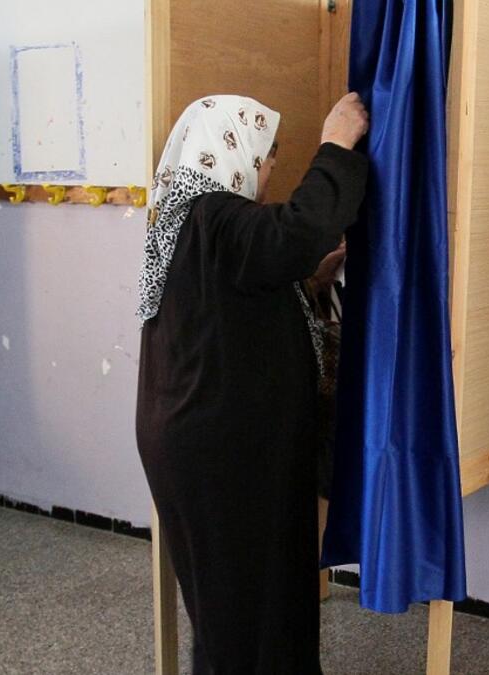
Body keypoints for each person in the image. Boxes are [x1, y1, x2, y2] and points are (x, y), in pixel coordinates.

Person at [135, 92, 370, 674]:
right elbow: (298, 228)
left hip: (210, 449)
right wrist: (336, 144)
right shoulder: (213, 215)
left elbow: (235, 312)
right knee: (245, 606)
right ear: (228, 150)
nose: (267, 170)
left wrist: (311, 282)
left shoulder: (188, 219)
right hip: (222, 458)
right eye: (265, 156)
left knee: (243, 602)